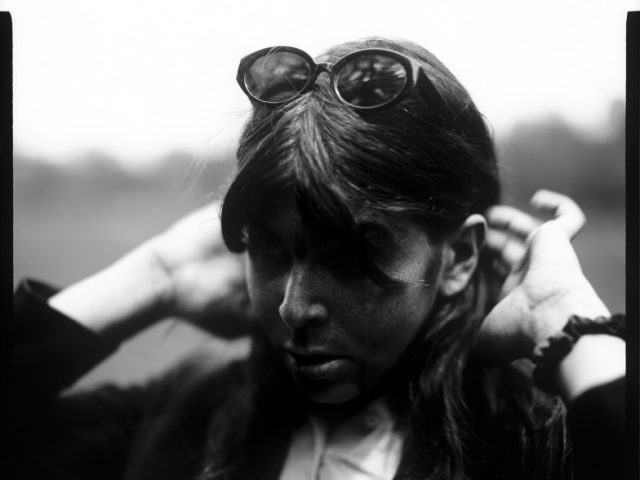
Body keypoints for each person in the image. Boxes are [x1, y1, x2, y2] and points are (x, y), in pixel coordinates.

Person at [11, 38, 625, 480]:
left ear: (459, 258)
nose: (294, 306)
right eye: (270, 247)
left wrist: (569, 324)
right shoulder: (188, 410)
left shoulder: (541, 442)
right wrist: (156, 275)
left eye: (354, 253)